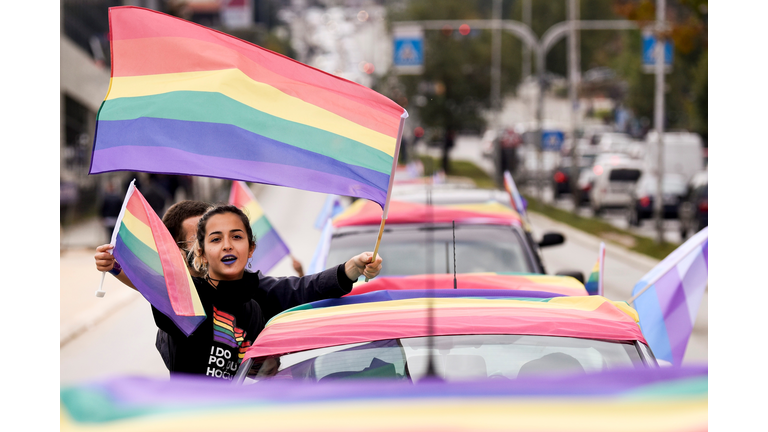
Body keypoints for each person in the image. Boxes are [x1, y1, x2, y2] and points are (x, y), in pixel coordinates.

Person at [95, 204, 382, 380]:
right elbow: (158, 287)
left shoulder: (256, 292)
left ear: (250, 248)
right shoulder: (183, 306)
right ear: (198, 252)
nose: (226, 246)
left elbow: (303, 289)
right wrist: (120, 267)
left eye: (235, 236)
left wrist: (350, 269)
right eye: (213, 239)